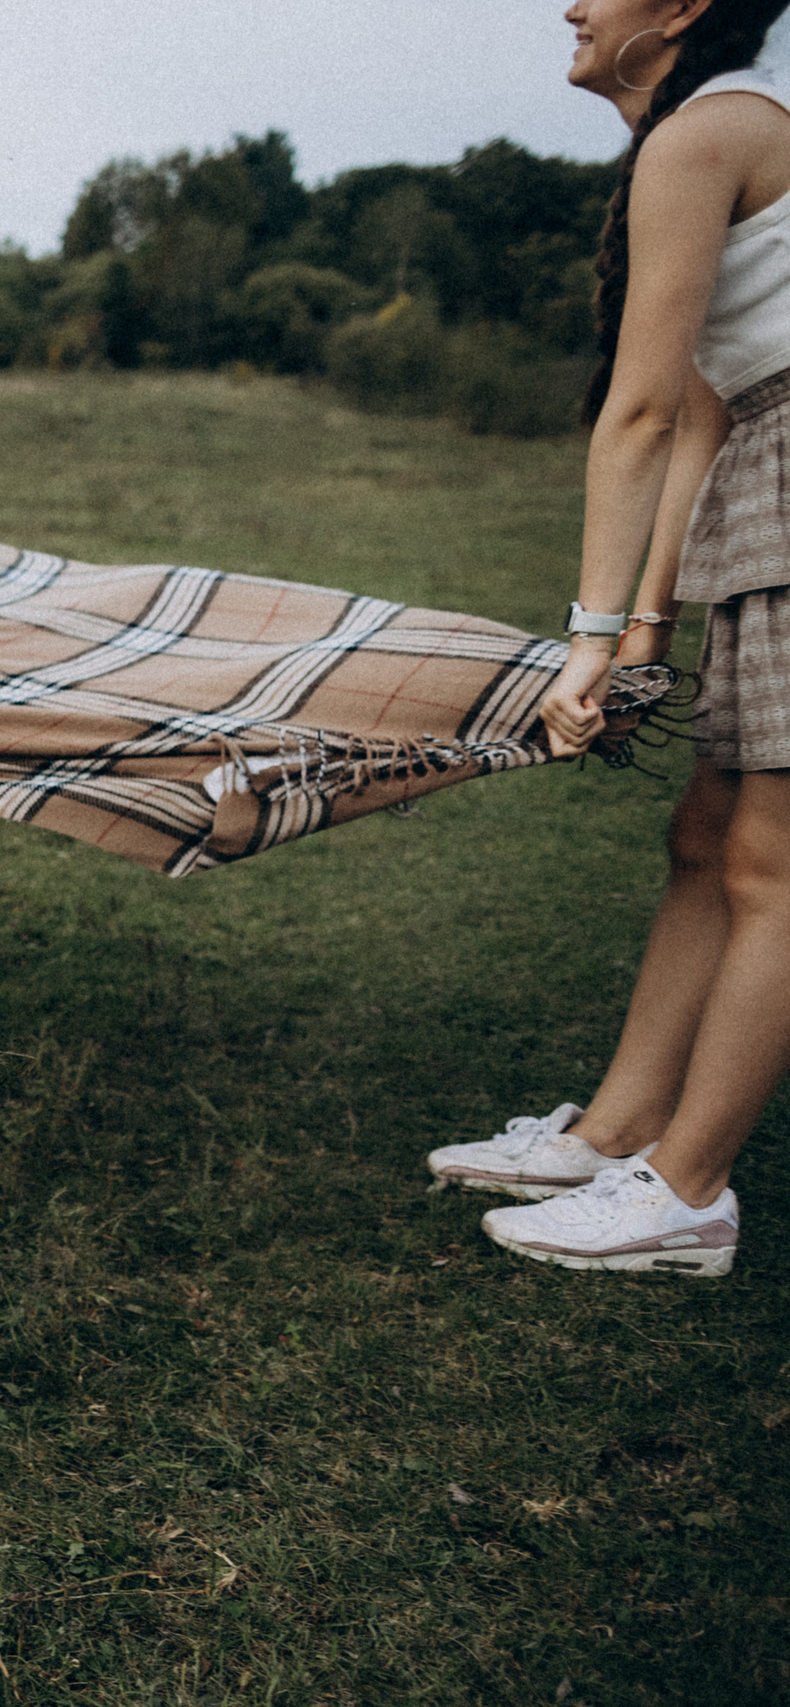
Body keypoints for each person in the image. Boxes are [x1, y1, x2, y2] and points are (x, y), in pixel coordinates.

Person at [427, 0, 790, 1276]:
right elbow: (700, 416)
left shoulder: (713, 132)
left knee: (775, 865)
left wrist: (578, 642)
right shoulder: (713, 133)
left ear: (683, 7)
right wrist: (641, 628)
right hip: (765, 487)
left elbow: (634, 416)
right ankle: (617, 1133)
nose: (573, 4)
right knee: (707, 836)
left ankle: (686, 1192)